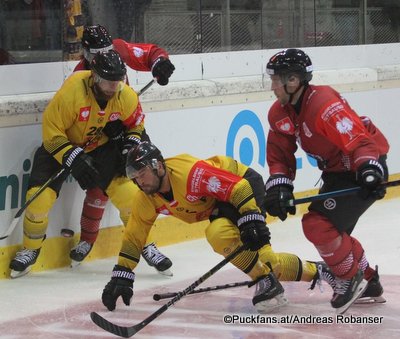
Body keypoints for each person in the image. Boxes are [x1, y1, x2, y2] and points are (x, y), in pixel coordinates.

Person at [99, 141, 336, 314]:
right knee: (261, 259)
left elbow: (238, 188)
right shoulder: (147, 197)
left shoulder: (189, 174)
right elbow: (134, 235)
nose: (140, 182)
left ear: (158, 166)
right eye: (135, 178)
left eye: (142, 174)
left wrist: (251, 218)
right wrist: (123, 274)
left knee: (231, 240)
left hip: (242, 185)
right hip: (220, 204)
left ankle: (274, 278)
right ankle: (307, 273)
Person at [8, 50, 171, 278]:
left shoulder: (125, 95)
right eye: (108, 82)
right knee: (38, 200)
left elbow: (136, 125)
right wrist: (73, 157)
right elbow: (52, 134)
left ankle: (146, 244)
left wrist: (127, 144)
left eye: (117, 82)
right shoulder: (73, 91)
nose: (113, 88)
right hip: (61, 146)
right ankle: (30, 249)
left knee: (127, 196)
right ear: (94, 77)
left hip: (99, 146)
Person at [263, 48, 389, 313]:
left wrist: (368, 168)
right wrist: (279, 186)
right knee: (333, 233)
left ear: (294, 81)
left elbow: (360, 141)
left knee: (317, 225)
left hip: (361, 171)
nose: (272, 86)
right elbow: (279, 155)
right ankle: (368, 281)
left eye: (276, 79)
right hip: (336, 173)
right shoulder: (280, 112)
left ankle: (347, 277)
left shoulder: (323, 104)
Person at [69, 24, 175, 272]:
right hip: (100, 138)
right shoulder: (79, 76)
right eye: (97, 53)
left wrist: (159, 62)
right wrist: (103, 126)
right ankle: (87, 239)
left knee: (139, 185)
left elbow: (150, 52)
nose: (105, 56)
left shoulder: (119, 49)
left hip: (130, 127)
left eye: (107, 50)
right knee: (98, 189)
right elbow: (77, 118)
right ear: (86, 53)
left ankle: (145, 244)